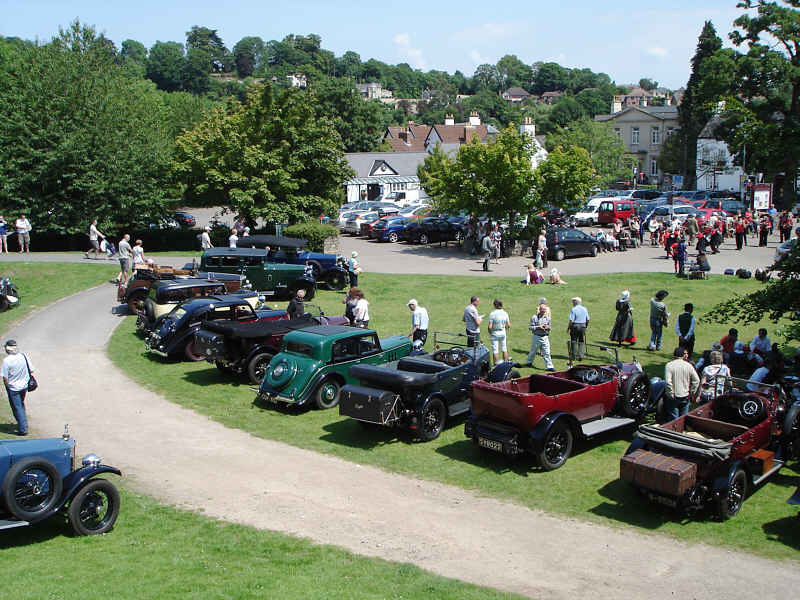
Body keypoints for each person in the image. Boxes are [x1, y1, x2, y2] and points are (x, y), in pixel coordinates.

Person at [2, 340, 34, 436]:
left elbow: (5, 377)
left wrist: (8, 387)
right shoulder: (23, 356)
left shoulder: (6, 361)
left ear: (8, 349)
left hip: (13, 388)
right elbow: (31, 370)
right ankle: (22, 423)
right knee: (21, 404)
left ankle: (23, 429)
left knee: (17, 407)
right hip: (24, 386)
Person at [664, 347, 700, 420]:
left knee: (674, 418)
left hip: (674, 396)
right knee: (684, 418)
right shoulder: (688, 365)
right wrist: (692, 392)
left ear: (674, 355)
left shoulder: (669, 365)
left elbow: (668, 382)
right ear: (683, 355)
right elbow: (697, 380)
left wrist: (670, 393)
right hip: (685, 395)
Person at [526, 298, 554, 370]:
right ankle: (529, 362)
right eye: (542, 310)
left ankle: (550, 367)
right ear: (539, 310)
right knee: (533, 351)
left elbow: (550, 327)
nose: (544, 311)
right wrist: (538, 327)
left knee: (547, 352)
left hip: (545, 337)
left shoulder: (547, 318)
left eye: (545, 310)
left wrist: (547, 327)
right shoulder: (534, 317)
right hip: (536, 337)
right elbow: (530, 327)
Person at [487, 299, 511, 365]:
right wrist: (504, 329)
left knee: (495, 350)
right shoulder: (505, 313)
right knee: (504, 348)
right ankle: (505, 364)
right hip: (503, 332)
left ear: (495, 305)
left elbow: (490, 327)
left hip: (495, 333)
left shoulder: (493, 314)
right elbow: (508, 325)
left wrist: (490, 332)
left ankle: (495, 365)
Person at [567, 297, 589, 364]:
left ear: (576, 302)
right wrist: (586, 326)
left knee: (573, 341)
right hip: (583, 326)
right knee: (581, 341)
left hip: (575, 326)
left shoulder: (573, 309)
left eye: (573, 302)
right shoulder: (585, 309)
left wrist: (568, 328)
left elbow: (571, 320)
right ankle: (581, 356)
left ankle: (574, 356)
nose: (572, 303)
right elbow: (588, 319)